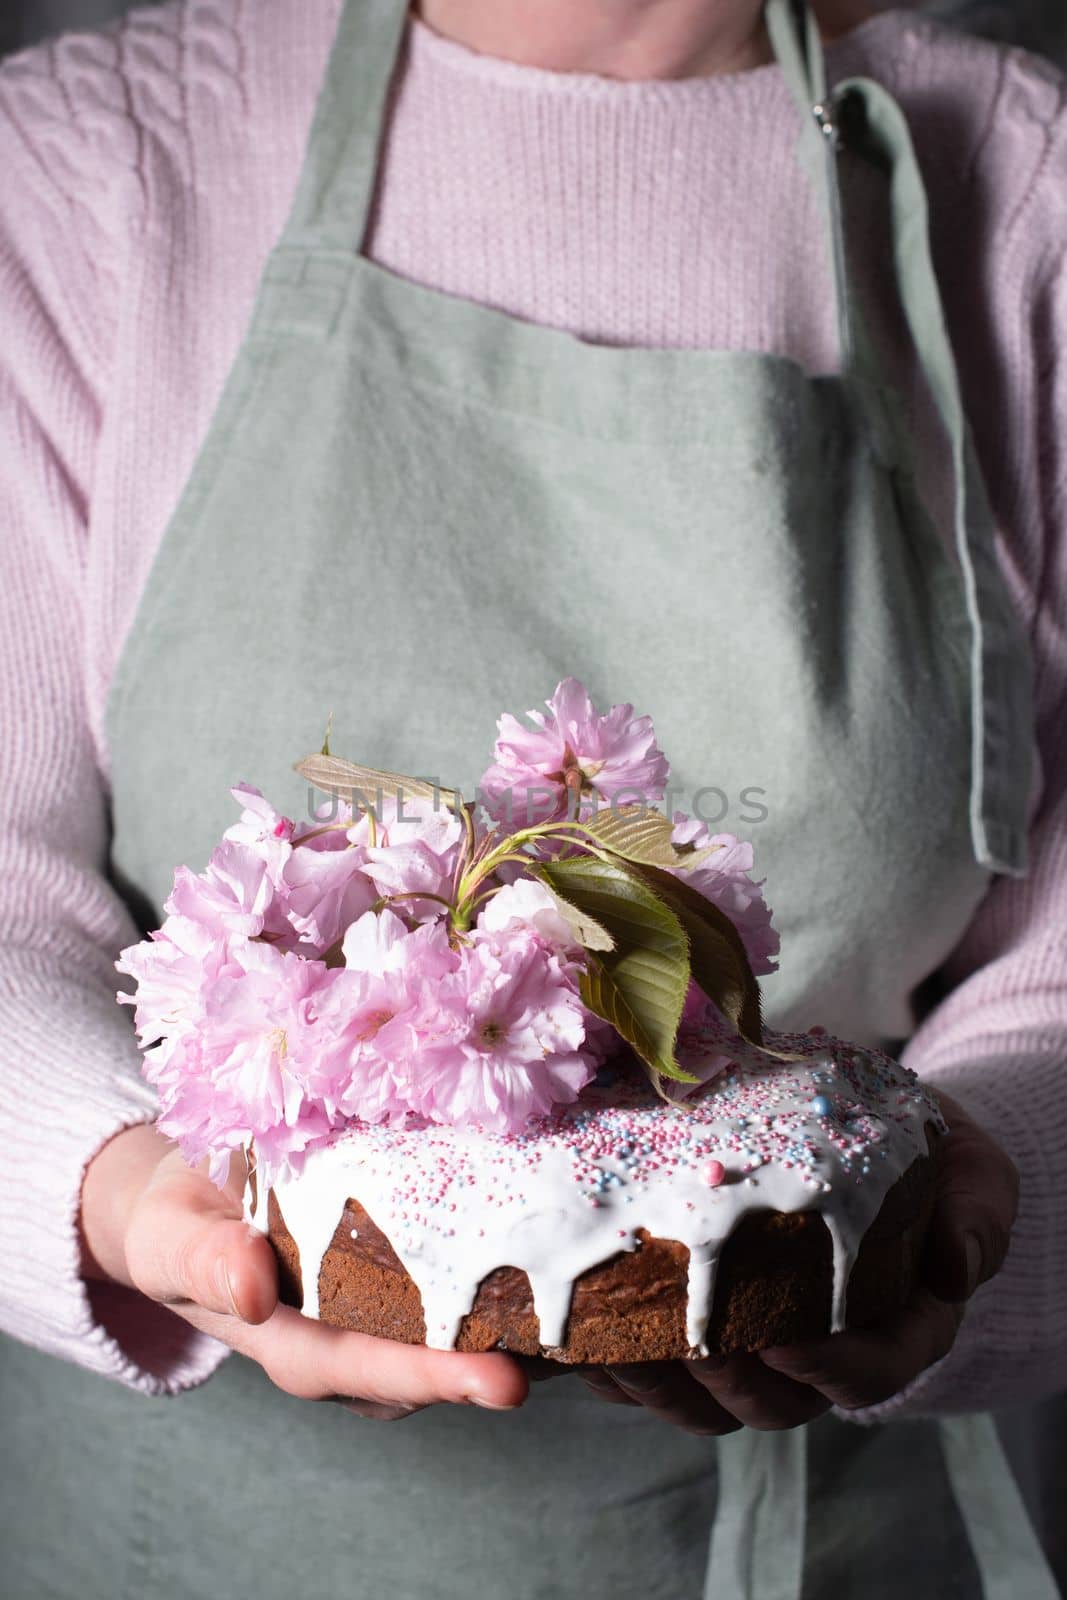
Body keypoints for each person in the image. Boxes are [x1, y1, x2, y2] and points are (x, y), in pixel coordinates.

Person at [0, 0, 1064, 1595]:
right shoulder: (102, 161)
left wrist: (982, 1190)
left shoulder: (1026, 187)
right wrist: (121, 1187)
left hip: (839, 1538)